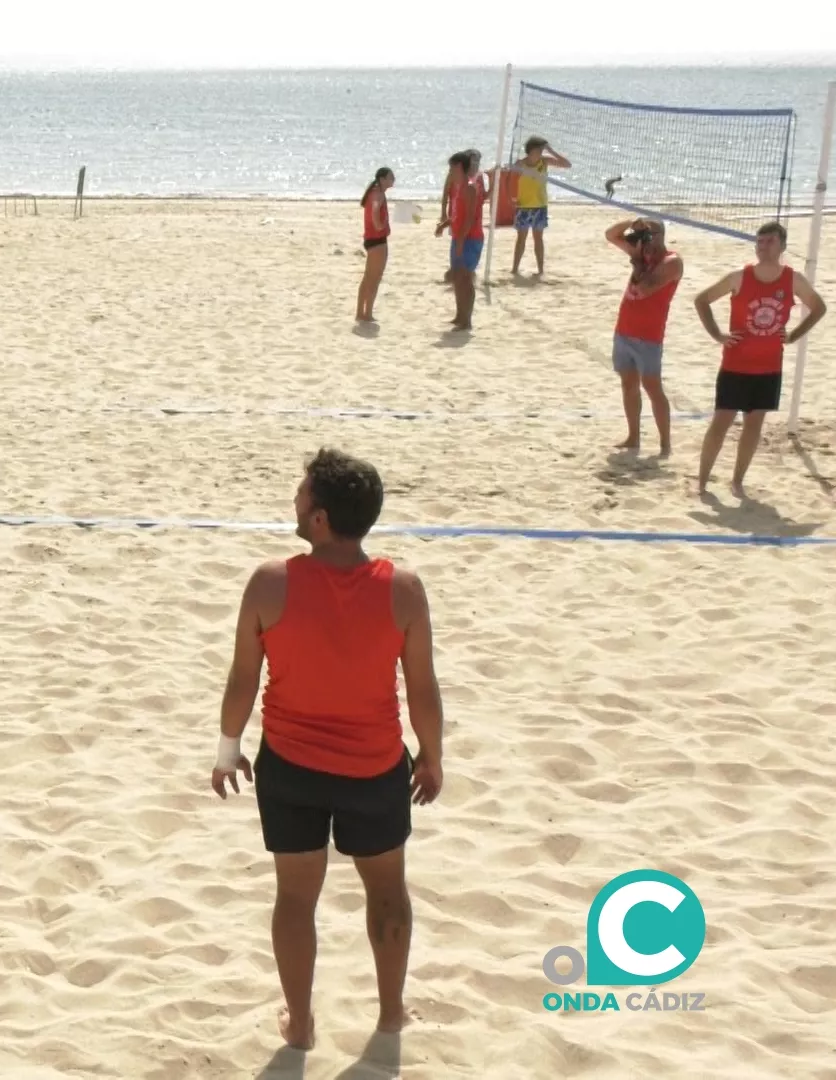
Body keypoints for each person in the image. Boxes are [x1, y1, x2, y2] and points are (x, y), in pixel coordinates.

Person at [212, 448, 444, 1050]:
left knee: (295, 896)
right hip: (374, 767)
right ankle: (391, 1015)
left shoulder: (271, 582)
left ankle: (302, 1023)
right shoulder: (404, 589)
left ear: (319, 518)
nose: (294, 497)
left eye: (301, 492)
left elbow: (243, 678)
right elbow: (422, 686)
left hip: (290, 767)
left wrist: (226, 748)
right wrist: (432, 755)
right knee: (388, 891)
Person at [693, 222, 828, 498]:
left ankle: (737, 481)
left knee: (753, 425)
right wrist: (718, 334)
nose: (763, 246)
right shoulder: (740, 276)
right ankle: (702, 482)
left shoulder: (793, 279)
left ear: (782, 247)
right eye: (760, 241)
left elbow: (819, 308)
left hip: (768, 367)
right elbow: (701, 300)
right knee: (722, 421)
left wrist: (793, 335)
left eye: (769, 241)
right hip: (735, 365)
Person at [604, 218, 683, 457]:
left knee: (652, 387)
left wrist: (637, 260)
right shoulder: (642, 251)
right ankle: (633, 437)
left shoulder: (672, 262)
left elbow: (643, 288)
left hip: (649, 336)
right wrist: (633, 222)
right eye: (643, 234)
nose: (645, 239)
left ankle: (665, 444)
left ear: (660, 235)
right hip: (625, 329)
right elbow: (610, 234)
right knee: (628, 385)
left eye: (649, 234)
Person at [511, 137, 571, 278]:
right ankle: (514, 268)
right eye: (538, 149)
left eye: (542, 150)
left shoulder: (544, 161)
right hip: (523, 205)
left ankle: (540, 270)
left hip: (540, 205)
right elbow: (510, 181)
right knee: (521, 238)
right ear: (530, 150)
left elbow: (567, 164)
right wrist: (512, 199)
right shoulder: (520, 164)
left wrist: (551, 151)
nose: (540, 152)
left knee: (538, 238)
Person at [440, 151, 485, 331]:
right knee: (458, 278)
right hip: (459, 236)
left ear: (461, 167)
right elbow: (458, 214)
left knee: (466, 278)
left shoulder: (470, 187)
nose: (450, 170)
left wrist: (461, 241)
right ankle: (459, 315)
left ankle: (467, 319)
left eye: (453, 167)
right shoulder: (457, 186)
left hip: (470, 238)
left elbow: (470, 219)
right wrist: (445, 224)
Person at [356, 168, 393, 324]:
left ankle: (361, 312)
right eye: (391, 177)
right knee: (374, 278)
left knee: (368, 277)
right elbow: (375, 208)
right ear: (382, 179)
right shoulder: (377, 193)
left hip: (372, 240)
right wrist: (380, 224)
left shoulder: (375, 191)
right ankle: (367, 313)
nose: (393, 180)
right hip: (377, 240)